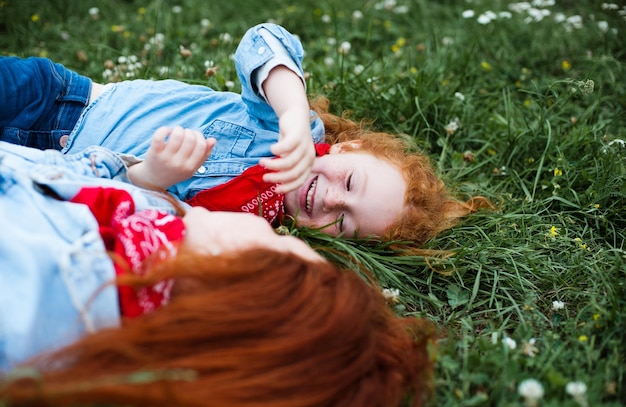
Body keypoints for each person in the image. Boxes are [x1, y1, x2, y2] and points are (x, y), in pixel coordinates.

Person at [0, 141, 436, 407]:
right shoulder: (157, 232)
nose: (270, 229)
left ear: (235, 282)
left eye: (287, 247)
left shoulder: (45, 285)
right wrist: (147, 180)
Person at [0, 23, 490, 243]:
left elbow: (134, 208)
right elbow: (262, 40)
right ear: (349, 147)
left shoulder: (256, 230)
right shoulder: (282, 128)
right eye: (350, 183)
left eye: (343, 222)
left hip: (44, 177)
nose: (332, 201)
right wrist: (294, 111)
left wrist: (152, 178)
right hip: (62, 104)